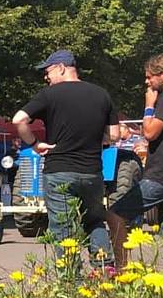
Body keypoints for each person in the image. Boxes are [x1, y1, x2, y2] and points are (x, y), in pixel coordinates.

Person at [12, 49, 119, 261]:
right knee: (95, 221)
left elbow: (18, 120)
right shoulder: (101, 94)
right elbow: (113, 136)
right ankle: (105, 270)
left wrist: (35, 144)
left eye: (48, 71)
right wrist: (91, 139)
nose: (46, 77)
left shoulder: (48, 95)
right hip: (92, 172)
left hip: (59, 170)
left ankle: (71, 278)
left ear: (61, 67)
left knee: (62, 227)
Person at [108, 54, 163, 266]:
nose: (147, 82)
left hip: (160, 176)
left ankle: (122, 270)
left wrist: (149, 104)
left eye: (150, 77)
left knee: (116, 214)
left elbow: (150, 132)